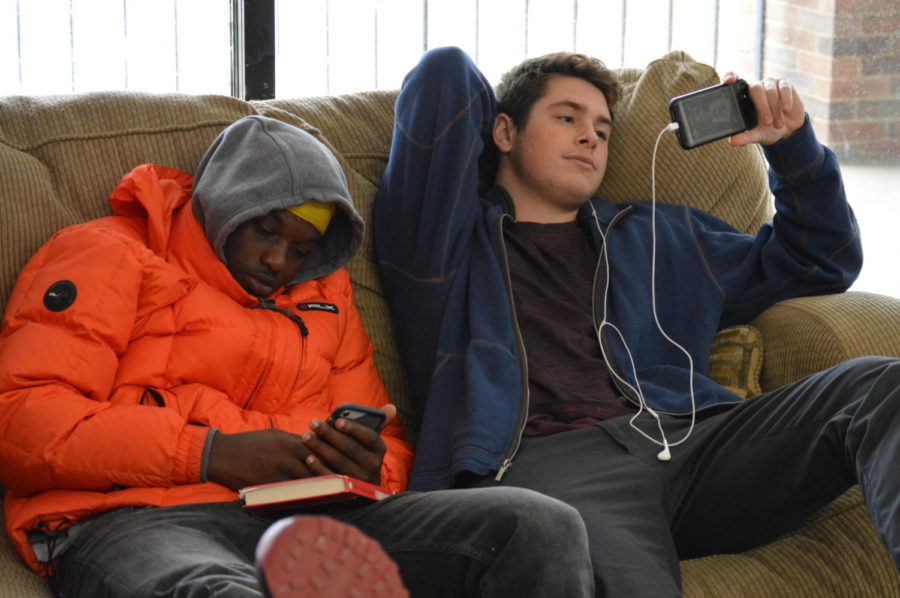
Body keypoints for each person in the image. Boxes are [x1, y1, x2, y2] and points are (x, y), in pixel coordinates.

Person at [374, 46, 900, 597]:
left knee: (880, 386)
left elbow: (822, 258)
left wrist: (792, 148)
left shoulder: (658, 235)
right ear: (502, 132)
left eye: (603, 129)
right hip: (547, 466)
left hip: (696, 443)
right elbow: (444, 77)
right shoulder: (444, 244)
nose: (590, 139)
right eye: (566, 118)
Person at [0, 115, 598, 598]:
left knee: (536, 526)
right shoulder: (107, 255)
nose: (279, 263)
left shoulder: (326, 297)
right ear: (224, 206)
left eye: (303, 248)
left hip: (313, 517)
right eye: (265, 232)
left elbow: (384, 440)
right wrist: (209, 454)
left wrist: (367, 468)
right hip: (140, 520)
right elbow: (22, 424)